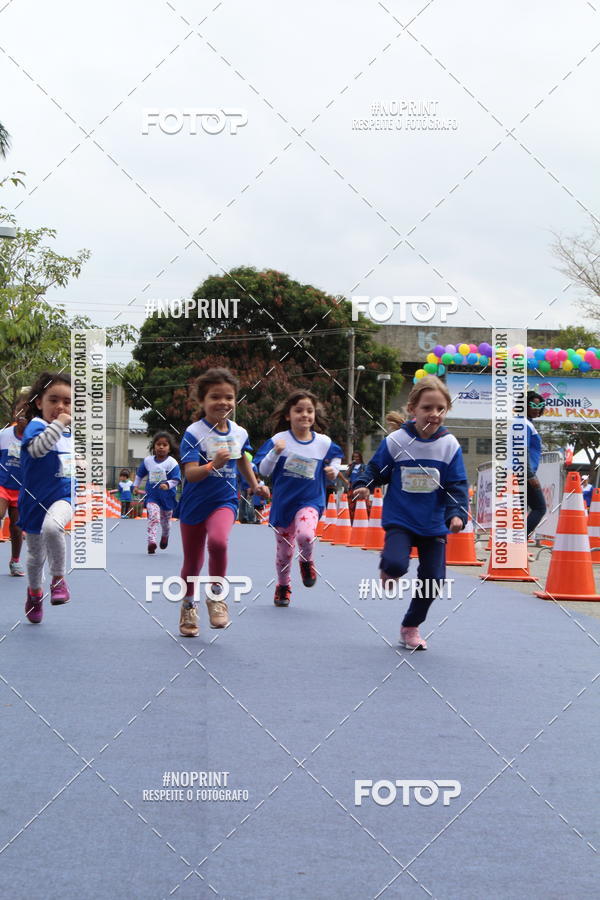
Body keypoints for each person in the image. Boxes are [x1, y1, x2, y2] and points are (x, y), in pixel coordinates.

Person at [354, 375, 467, 651]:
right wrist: (364, 485)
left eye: (440, 408)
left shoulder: (449, 445)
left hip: (434, 523)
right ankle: (388, 567)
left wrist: (456, 514)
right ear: (412, 408)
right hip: (401, 519)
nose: (434, 413)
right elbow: (376, 470)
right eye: (427, 407)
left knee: (434, 581)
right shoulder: (397, 441)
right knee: (396, 565)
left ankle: (410, 627)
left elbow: (456, 485)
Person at [177, 368, 269, 637]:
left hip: (224, 501)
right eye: (215, 397)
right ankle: (188, 607)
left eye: (229, 397)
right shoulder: (194, 433)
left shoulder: (239, 433)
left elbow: (242, 460)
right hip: (194, 504)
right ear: (202, 400)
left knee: (218, 542)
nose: (223, 402)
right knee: (192, 564)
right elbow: (190, 474)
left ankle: (217, 597)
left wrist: (255, 485)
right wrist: (212, 465)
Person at [253, 389, 343, 607]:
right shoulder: (279, 440)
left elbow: (337, 456)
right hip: (284, 504)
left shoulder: (323, 442)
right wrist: (275, 452)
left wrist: (333, 470)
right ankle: (283, 586)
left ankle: (306, 561)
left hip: (310, 501)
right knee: (284, 553)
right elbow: (263, 470)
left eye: (309, 411)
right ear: (288, 415)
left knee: (305, 535)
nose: (305, 415)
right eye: (299, 410)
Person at [18, 372, 73, 624]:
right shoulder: (36, 426)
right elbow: (38, 450)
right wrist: (59, 424)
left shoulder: (69, 435)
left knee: (53, 527)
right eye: (53, 400)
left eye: (67, 402)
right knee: (35, 557)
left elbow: (67, 466)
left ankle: (59, 579)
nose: (60, 406)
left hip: (62, 498)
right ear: (39, 403)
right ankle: (35, 594)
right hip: (33, 502)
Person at [134, 433, 180, 554]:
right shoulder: (148, 461)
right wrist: (135, 486)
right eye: (158, 444)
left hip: (167, 497)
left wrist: (167, 485)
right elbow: (139, 475)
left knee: (166, 523)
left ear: (169, 448)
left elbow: (176, 479)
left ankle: (165, 535)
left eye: (164, 445)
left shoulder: (172, 462)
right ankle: (151, 541)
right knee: (153, 517)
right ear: (154, 446)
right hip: (152, 496)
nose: (161, 447)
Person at [0, 399, 28, 576]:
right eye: (20, 411)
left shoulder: (35, 440)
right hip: (2, 484)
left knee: (16, 528)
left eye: (27, 413)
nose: (23, 415)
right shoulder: (3, 434)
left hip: (21, 489)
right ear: (14, 413)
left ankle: (15, 561)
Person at [526, 391, 547, 545]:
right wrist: (530, 475)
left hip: (520, 473)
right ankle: (519, 541)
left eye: (539, 405)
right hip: (524, 473)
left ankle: (516, 544)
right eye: (532, 404)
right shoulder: (525, 424)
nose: (536, 408)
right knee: (539, 508)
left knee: (520, 510)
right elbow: (522, 449)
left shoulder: (527, 423)